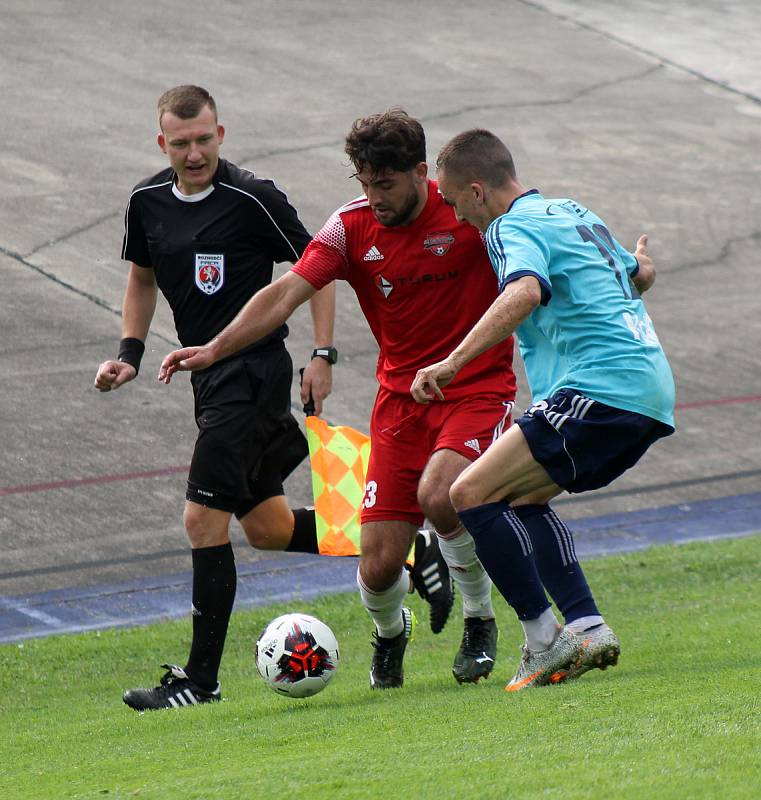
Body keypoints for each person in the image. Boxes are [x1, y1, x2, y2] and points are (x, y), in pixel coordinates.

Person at [159, 109, 615, 693]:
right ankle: (390, 631)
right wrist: (214, 349)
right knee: (376, 566)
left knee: (445, 493)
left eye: (386, 184)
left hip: (475, 389)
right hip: (399, 404)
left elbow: (550, 241)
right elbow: (286, 293)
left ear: (422, 172)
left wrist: (625, 270)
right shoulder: (351, 228)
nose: (373, 196)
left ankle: (479, 618)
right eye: (364, 182)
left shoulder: (470, 213)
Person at [94, 84, 340, 711]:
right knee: (268, 527)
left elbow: (320, 268)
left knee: (202, 519)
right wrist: (128, 355)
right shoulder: (145, 201)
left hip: (252, 374)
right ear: (163, 144)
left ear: (221, 134)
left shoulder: (252, 197)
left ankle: (199, 683)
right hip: (206, 378)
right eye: (182, 144)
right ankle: (411, 548)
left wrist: (322, 353)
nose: (195, 152)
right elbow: (142, 280)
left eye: (204, 139)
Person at [410, 128, 676, 691]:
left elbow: (525, 292)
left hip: (599, 390)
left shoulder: (508, 226)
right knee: (523, 498)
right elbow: (632, 274)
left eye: (456, 201)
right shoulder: (571, 210)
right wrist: (644, 271)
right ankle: (587, 626)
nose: (457, 217)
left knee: (467, 495)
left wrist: (451, 363)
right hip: (648, 391)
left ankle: (543, 642)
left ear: (478, 192)